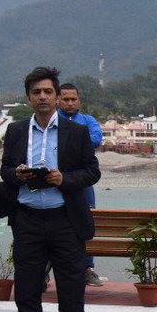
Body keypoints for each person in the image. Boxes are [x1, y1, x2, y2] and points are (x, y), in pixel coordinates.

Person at [0, 67, 100, 312]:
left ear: (57, 96)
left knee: (71, 290)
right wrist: (15, 174)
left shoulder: (77, 132)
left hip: (65, 220)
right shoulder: (16, 131)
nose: (42, 97)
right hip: (27, 220)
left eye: (47, 92)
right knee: (27, 290)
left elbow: (92, 172)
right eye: (36, 92)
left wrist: (63, 178)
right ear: (28, 97)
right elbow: (4, 170)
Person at [58, 83, 104, 287]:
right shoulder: (52, 120)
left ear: (79, 100)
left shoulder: (88, 120)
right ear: (58, 99)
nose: (69, 103)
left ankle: (88, 268)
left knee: (86, 222)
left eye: (73, 99)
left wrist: (68, 140)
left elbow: (96, 138)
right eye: (65, 99)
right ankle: (46, 271)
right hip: (56, 181)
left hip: (83, 182)